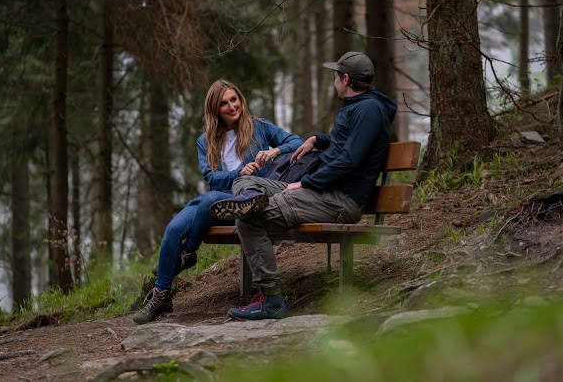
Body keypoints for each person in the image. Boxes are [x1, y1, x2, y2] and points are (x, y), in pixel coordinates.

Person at [209, 52, 397, 321]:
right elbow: (345, 147)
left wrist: (305, 183)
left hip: (338, 199)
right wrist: (317, 140)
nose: (334, 81)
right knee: (244, 179)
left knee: (247, 220)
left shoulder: (368, 110)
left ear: (345, 79)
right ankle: (251, 197)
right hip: (323, 191)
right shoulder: (362, 107)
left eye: (335, 75)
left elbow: (349, 160)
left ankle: (272, 301)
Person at [132, 79, 303, 324]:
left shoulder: (259, 127)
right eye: (224, 103)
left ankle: (189, 252)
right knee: (172, 230)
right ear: (215, 109)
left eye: (234, 99)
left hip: (247, 198)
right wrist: (238, 173)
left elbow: (296, 141)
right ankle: (161, 297)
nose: (232, 106)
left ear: (240, 99)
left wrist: (274, 151)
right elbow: (211, 177)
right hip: (216, 198)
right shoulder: (205, 141)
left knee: (209, 199)